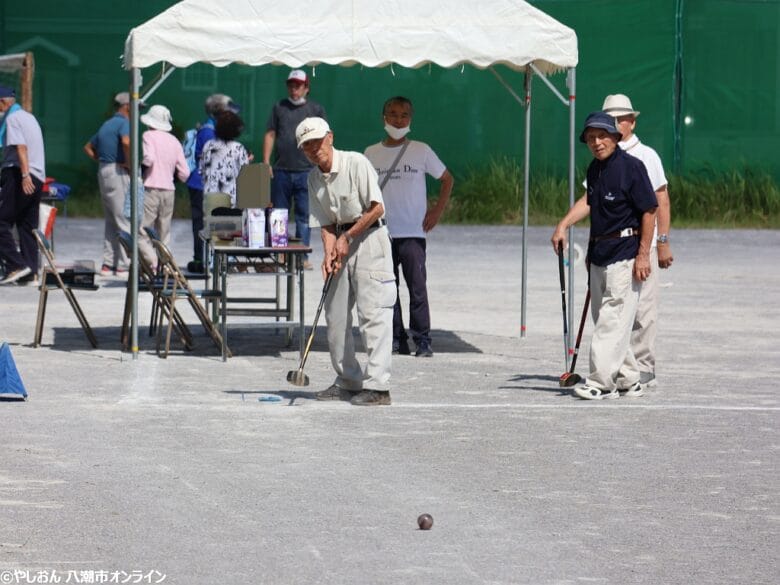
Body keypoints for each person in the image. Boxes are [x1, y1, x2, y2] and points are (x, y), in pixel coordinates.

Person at [551, 111, 658, 401]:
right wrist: (563, 224)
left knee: (611, 320)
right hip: (599, 253)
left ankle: (600, 381)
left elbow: (649, 210)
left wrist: (644, 255)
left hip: (625, 254)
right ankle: (627, 378)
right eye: (590, 138)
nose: (596, 142)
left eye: (602, 136)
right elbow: (588, 201)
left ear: (615, 136)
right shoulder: (594, 170)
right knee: (609, 320)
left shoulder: (632, 167)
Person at [297, 117, 396, 406]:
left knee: (373, 314)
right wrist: (329, 253)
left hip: (369, 241)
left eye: (317, 142)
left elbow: (377, 208)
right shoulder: (313, 178)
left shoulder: (356, 162)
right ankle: (348, 380)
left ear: (330, 137)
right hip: (342, 242)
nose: (314, 149)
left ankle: (379, 387)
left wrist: (347, 237)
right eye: (307, 146)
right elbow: (325, 223)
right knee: (335, 315)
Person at [364, 96, 454, 358]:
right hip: (381, 231)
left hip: (413, 232)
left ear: (410, 119)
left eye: (403, 115)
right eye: (392, 114)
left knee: (417, 288)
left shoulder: (421, 150)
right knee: (386, 289)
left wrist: (437, 210)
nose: (398, 119)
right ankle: (395, 338)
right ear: (384, 118)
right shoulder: (370, 153)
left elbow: (447, 179)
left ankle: (423, 339)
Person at [602, 94, 674, 390]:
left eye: (620, 119)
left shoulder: (647, 155)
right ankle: (623, 366)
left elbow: (662, 200)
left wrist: (663, 241)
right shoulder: (603, 156)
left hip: (645, 242)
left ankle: (644, 366)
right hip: (614, 247)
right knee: (617, 308)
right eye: (611, 120)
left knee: (644, 309)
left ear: (631, 121)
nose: (616, 125)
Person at [263, 70, 327, 270]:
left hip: (307, 171)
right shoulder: (279, 108)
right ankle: (280, 254)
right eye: (291, 85)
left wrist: (322, 164)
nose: (294, 89)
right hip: (281, 170)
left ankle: (301, 256)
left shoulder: (316, 109)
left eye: (299, 85)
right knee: (278, 214)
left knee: (304, 215)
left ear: (306, 88)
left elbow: (325, 137)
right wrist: (266, 162)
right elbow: (271, 134)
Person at [184, 94, 239, 273]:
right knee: (202, 224)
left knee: (217, 221)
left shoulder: (215, 130)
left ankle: (217, 259)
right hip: (201, 184)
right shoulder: (209, 131)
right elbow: (211, 159)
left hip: (212, 185)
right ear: (219, 112)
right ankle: (201, 260)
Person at [84, 92, 137, 277]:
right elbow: (126, 142)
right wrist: (129, 164)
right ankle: (123, 264)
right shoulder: (124, 123)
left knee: (111, 219)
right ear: (127, 106)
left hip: (104, 170)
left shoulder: (107, 124)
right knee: (123, 218)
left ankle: (108, 264)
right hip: (117, 171)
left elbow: (88, 147)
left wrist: (102, 160)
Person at [0, 85, 45, 285]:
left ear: (2, 102)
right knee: (27, 225)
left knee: (1, 222)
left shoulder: (11, 118)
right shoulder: (29, 117)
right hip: (38, 175)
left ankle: (16, 265)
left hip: (20, 173)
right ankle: (31, 272)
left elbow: (21, 147)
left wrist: (25, 175)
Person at [137, 105, 190, 268]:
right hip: (169, 190)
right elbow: (185, 173)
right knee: (164, 233)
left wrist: (140, 167)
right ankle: (164, 267)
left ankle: (151, 262)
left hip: (151, 188)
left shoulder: (148, 135)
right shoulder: (174, 141)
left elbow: (149, 159)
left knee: (143, 232)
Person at [199, 110, 251, 208]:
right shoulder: (238, 148)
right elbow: (245, 174)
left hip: (210, 197)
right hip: (230, 198)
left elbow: (202, 169)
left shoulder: (208, 145)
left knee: (211, 223)